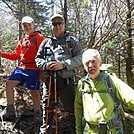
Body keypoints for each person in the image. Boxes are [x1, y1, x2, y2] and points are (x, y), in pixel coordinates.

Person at [35, 14, 82, 133]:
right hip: (49, 81)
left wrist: (64, 64)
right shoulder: (46, 42)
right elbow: (38, 59)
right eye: (54, 24)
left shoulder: (71, 41)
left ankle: (76, 130)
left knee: (72, 108)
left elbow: (80, 58)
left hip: (67, 81)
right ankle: (45, 131)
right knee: (47, 108)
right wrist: (45, 65)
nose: (57, 26)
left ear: (64, 25)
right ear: (51, 26)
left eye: (60, 23)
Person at [74, 49, 134, 134]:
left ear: (100, 64)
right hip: (89, 131)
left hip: (112, 131)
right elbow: (78, 109)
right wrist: (79, 131)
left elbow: (131, 98)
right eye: (87, 63)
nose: (90, 65)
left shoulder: (111, 81)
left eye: (94, 62)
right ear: (84, 66)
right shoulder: (82, 84)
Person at [0, 16, 45, 123]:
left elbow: (43, 55)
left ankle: (38, 113)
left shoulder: (39, 37)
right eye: (25, 25)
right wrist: (2, 54)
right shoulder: (23, 39)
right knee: (9, 84)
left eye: (29, 25)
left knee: (34, 92)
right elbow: (17, 55)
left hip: (34, 68)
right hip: (21, 67)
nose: (27, 27)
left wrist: (42, 72)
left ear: (33, 25)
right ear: (22, 27)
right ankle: (10, 110)